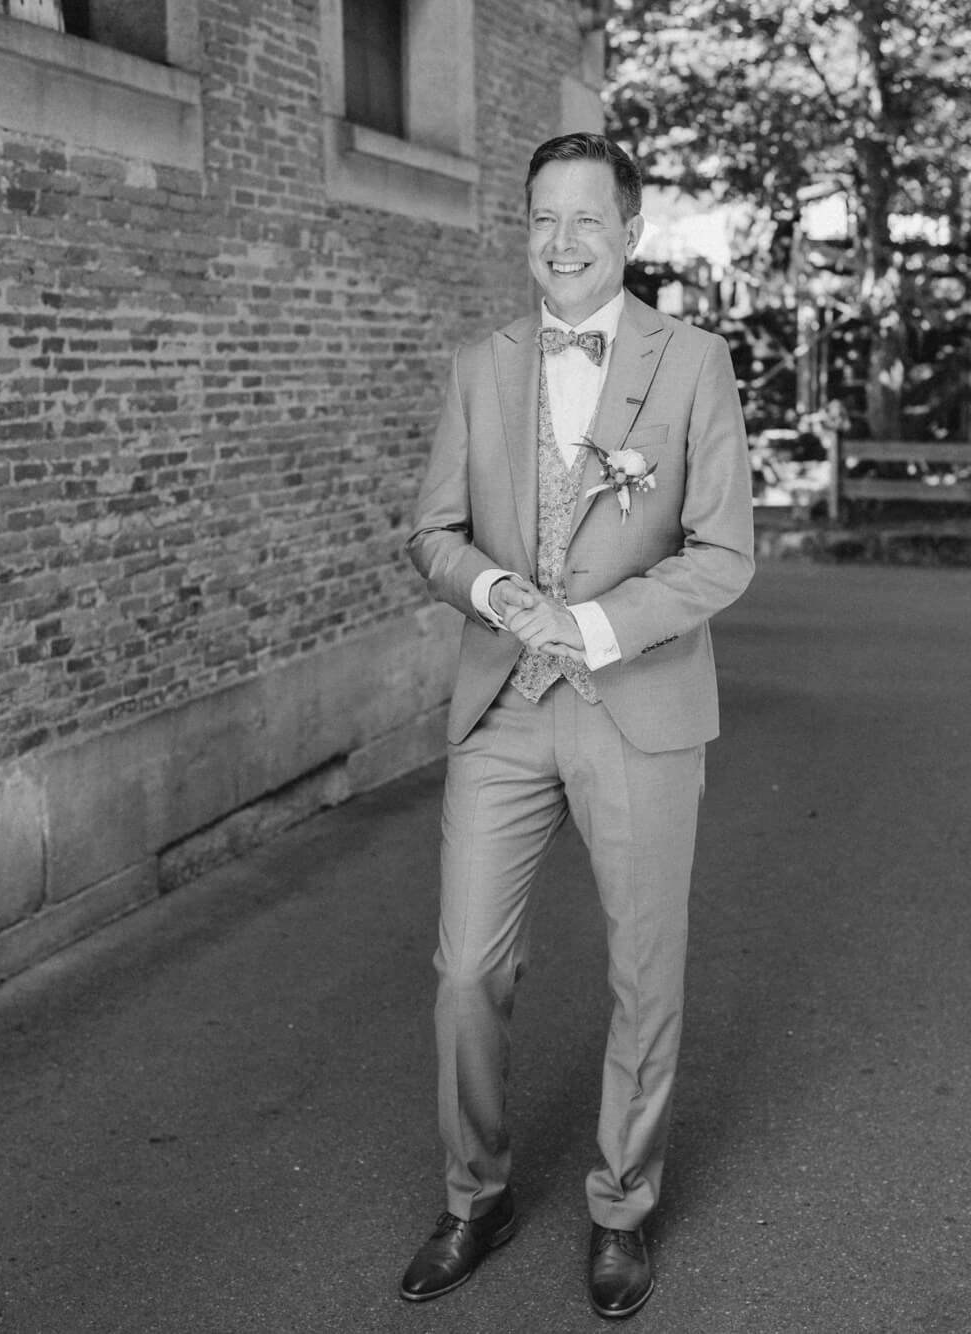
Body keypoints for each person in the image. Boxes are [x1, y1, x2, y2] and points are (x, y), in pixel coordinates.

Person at [401, 132, 756, 1319]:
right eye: (542, 219)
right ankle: (475, 1191)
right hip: (500, 705)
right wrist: (493, 591)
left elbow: (722, 555)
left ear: (630, 230)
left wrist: (598, 625)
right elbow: (432, 532)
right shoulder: (476, 365)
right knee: (465, 970)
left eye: (586, 219)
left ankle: (621, 1203)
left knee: (642, 973)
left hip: (635, 706)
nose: (561, 241)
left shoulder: (694, 362)